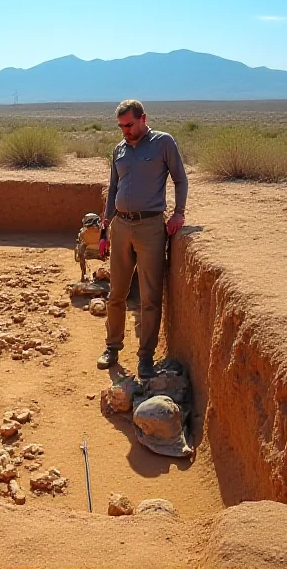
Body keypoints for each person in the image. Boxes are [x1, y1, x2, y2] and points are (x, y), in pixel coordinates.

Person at [96, 99, 188, 378]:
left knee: (150, 297)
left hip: (150, 229)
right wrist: (105, 230)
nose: (125, 130)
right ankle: (112, 347)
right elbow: (113, 190)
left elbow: (180, 179)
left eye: (130, 124)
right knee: (116, 295)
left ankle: (145, 357)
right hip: (121, 227)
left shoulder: (163, 143)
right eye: (121, 126)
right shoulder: (119, 150)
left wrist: (179, 214)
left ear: (143, 118)